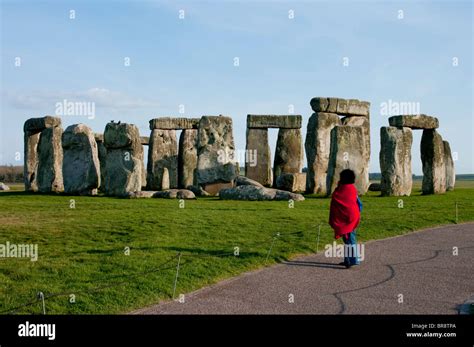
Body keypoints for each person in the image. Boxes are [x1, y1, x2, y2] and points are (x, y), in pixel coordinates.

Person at [329, 169, 363, 268]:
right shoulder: (352, 188)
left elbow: (336, 197)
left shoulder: (343, 189)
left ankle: (354, 260)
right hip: (353, 216)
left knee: (349, 239)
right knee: (348, 239)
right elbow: (359, 203)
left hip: (346, 219)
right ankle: (347, 260)